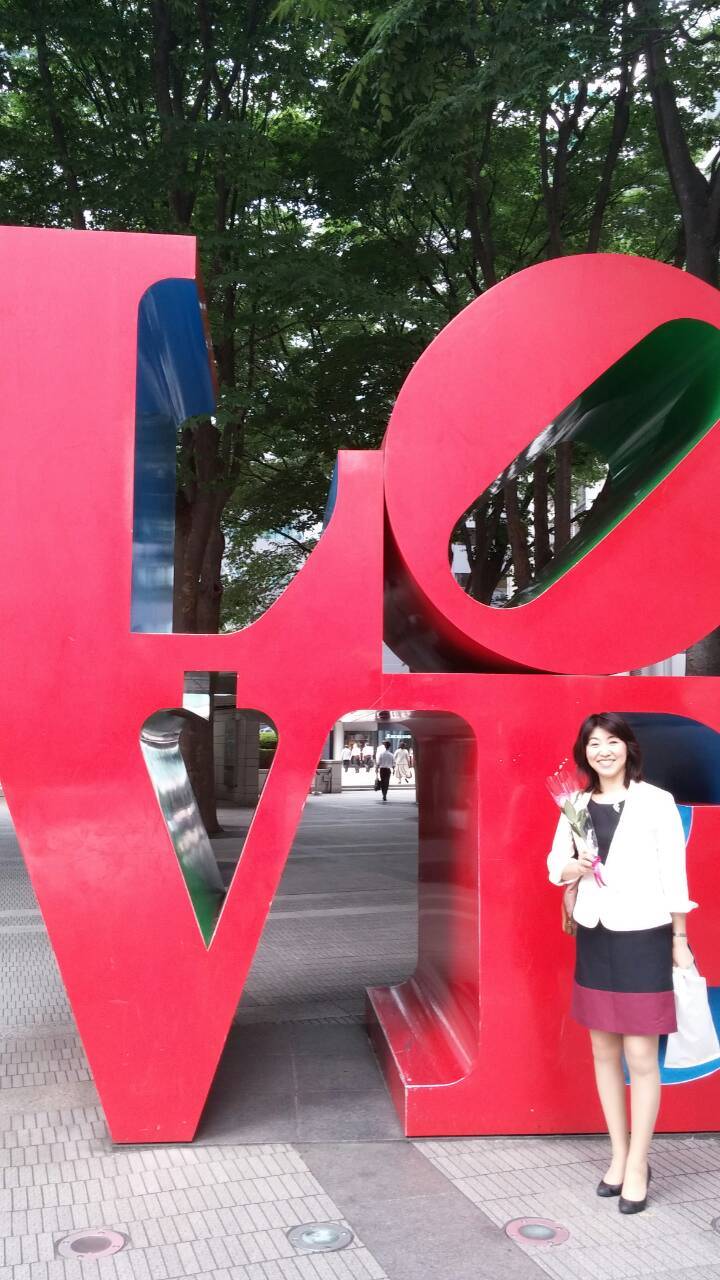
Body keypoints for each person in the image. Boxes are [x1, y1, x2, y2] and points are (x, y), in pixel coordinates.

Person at [547, 712, 696, 1215]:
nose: (603, 751)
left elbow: (674, 874)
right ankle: (617, 1155)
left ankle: (639, 1163)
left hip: (645, 935)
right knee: (603, 1049)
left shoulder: (656, 801)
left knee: (640, 1055)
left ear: (628, 748)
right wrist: (573, 866)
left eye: (612, 741)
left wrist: (679, 938)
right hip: (596, 934)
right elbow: (554, 864)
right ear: (584, 753)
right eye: (593, 743)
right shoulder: (575, 804)